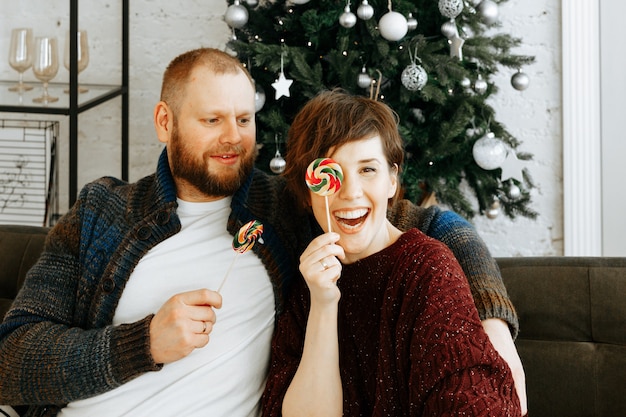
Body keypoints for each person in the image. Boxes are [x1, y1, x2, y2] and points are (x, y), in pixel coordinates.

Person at [0, 48, 523, 416]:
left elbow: (427, 226)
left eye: (244, 119)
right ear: (165, 121)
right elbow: (12, 358)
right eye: (212, 121)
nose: (233, 139)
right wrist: (143, 344)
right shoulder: (103, 210)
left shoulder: (288, 205)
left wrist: (492, 319)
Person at [262, 90, 524, 416]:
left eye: (367, 170)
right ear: (308, 190)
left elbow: (469, 401)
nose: (351, 193)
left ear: (391, 180)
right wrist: (323, 305)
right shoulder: (306, 290)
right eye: (334, 173)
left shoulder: (426, 269)